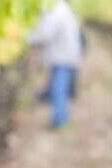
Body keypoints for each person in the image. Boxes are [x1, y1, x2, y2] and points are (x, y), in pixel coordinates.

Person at [30, 0, 83, 129]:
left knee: (58, 90)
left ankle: (60, 121)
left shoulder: (57, 9)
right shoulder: (63, 8)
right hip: (66, 55)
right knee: (60, 88)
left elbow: (46, 33)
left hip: (62, 57)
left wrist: (28, 38)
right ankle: (61, 119)